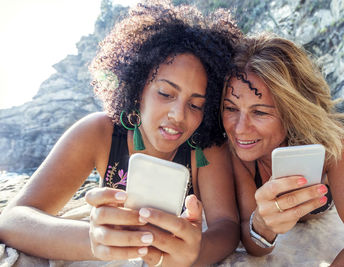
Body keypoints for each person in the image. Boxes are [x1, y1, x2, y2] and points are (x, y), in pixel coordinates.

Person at [0, 1, 242, 266]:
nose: (178, 115)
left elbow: (226, 226)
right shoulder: (99, 132)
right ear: (137, 89)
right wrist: (96, 240)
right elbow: (13, 220)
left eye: (196, 104)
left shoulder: (205, 148)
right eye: (165, 93)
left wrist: (192, 256)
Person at [221, 33, 344, 266]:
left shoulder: (331, 147)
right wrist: (262, 224)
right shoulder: (237, 153)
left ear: (293, 111)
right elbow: (254, 245)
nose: (239, 129)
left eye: (259, 112)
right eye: (230, 108)